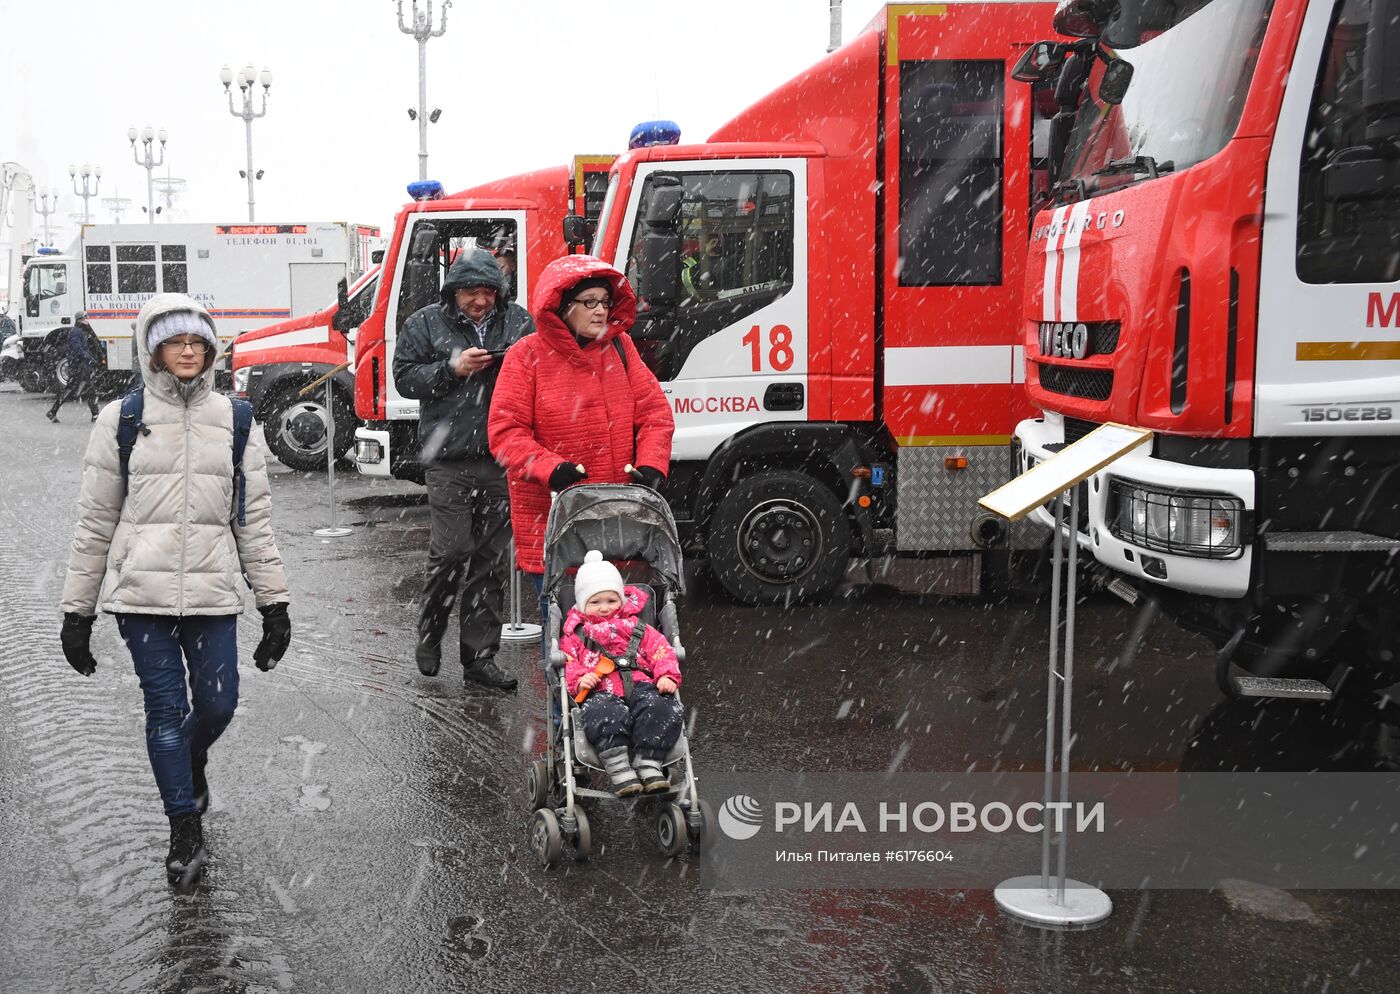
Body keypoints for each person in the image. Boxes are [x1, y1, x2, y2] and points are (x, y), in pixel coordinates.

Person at [58, 293, 292, 887]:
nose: (188, 350)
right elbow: (95, 522)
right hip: (141, 598)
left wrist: (274, 603)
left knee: (218, 704)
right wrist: (76, 610)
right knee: (164, 711)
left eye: (198, 341)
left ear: (211, 349)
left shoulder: (237, 421)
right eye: (175, 341)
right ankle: (183, 825)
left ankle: (188, 762)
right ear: (153, 349)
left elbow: (253, 521)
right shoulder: (123, 419)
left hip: (213, 595)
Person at [487, 255, 674, 628]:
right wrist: (550, 469)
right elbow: (505, 433)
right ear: (562, 306)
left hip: (615, 517)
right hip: (556, 522)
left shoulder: (621, 348)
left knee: (619, 626)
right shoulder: (526, 356)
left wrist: (653, 462)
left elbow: (655, 414)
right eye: (589, 302)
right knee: (565, 631)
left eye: (605, 302)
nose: (601, 311)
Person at [393, 249, 534, 689]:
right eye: (472, 291)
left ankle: (479, 657)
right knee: (453, 550)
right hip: (448, 460)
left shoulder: (519, 322)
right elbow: (403, 377)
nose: (481, 300)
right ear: (454, 291)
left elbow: (538, 370)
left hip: (499, 457)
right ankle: (431, 633)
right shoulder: (424, 323)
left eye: (489, 291)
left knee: (488, 562)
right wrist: (451, 369)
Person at [561, 551, 683, 795]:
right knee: (603, 713)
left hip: (642, 683)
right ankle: (618, 765)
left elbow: (661, 650)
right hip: (601, 689)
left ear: (622, 600)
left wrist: (666, 675)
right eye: (595, 602)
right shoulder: (577, 635)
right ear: (583, 604)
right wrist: (580, 679)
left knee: (662, 706)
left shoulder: (639, 628)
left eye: (611, 600)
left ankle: (648, 760)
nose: (604, 608)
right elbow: (568, 662)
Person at [46, 310, 105, 422]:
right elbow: (78, 350)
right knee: (82, 390)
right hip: (79, 366)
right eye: (85, 318)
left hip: (81, 366)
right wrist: (90, 359)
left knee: (88, 390)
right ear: (80, 320)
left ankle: (95, 414)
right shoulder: (76, 332)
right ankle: (53, 411)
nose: (87, 320)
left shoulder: (82, 331)